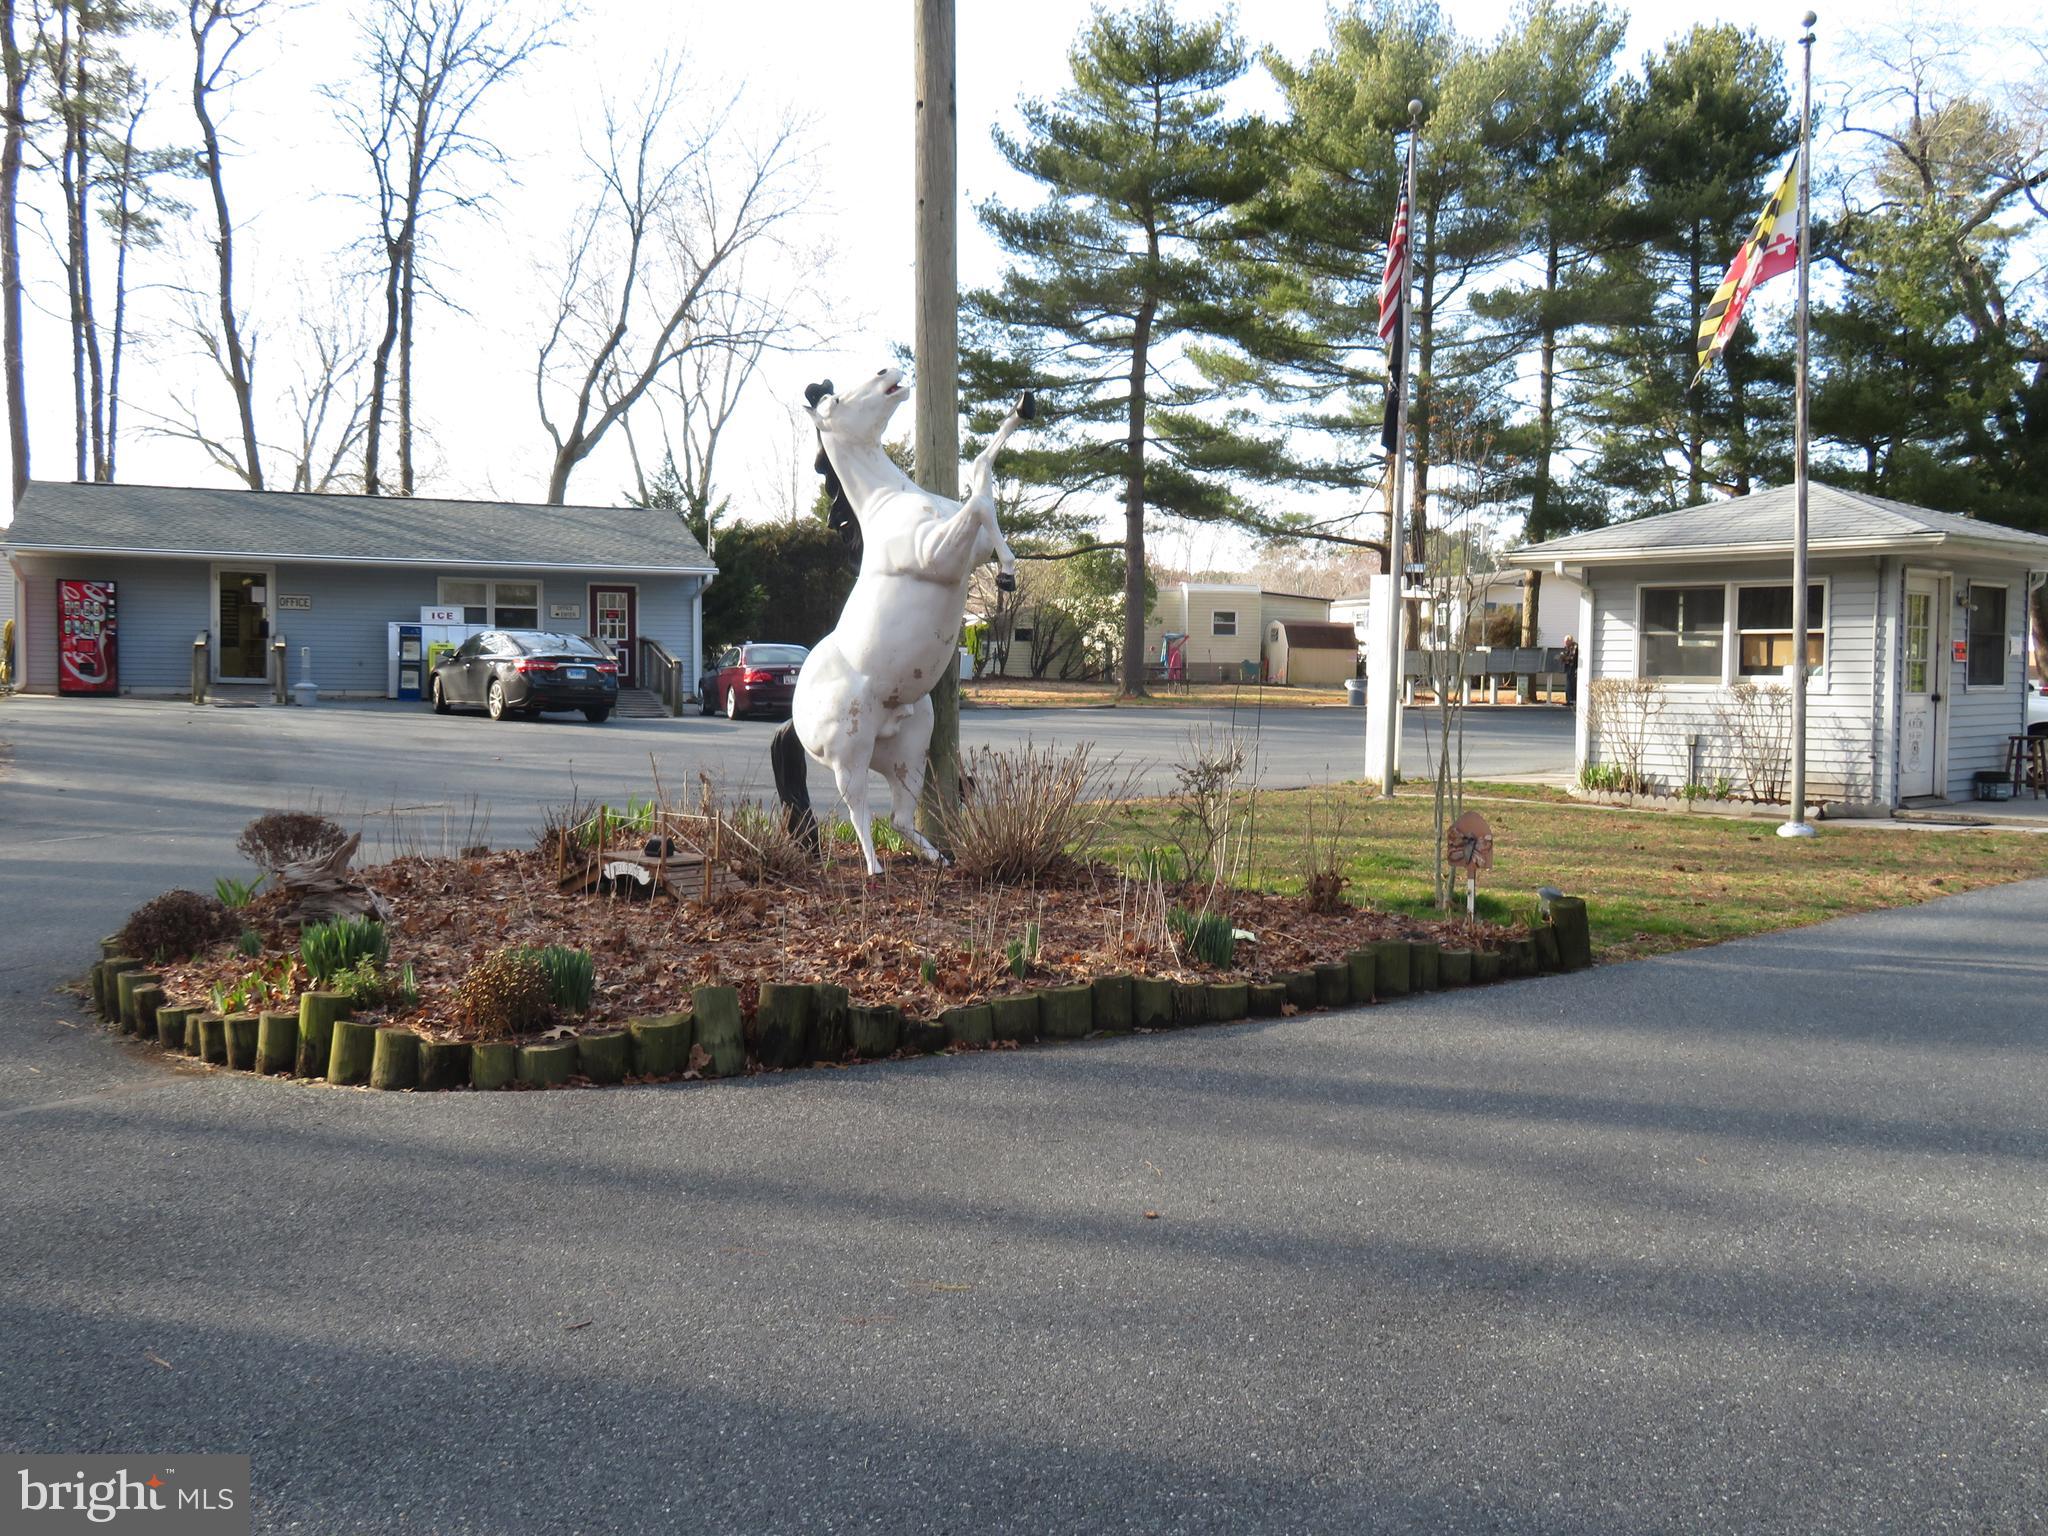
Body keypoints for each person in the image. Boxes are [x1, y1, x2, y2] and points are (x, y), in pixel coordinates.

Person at [1559, 634, 1579, 708]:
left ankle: (1573, 700)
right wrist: (1563, 657)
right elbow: (1562, 656)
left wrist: (1565, 658)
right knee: (1568, 684)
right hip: (1568, 667)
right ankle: (1568, 700)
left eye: (1566, 641)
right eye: (1564, 641)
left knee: (1572, 684)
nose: (1565, 643)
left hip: (1573, 668)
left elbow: (1572, 657)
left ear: (1570, 640)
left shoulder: (1575, 646)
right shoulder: (1566, 647)